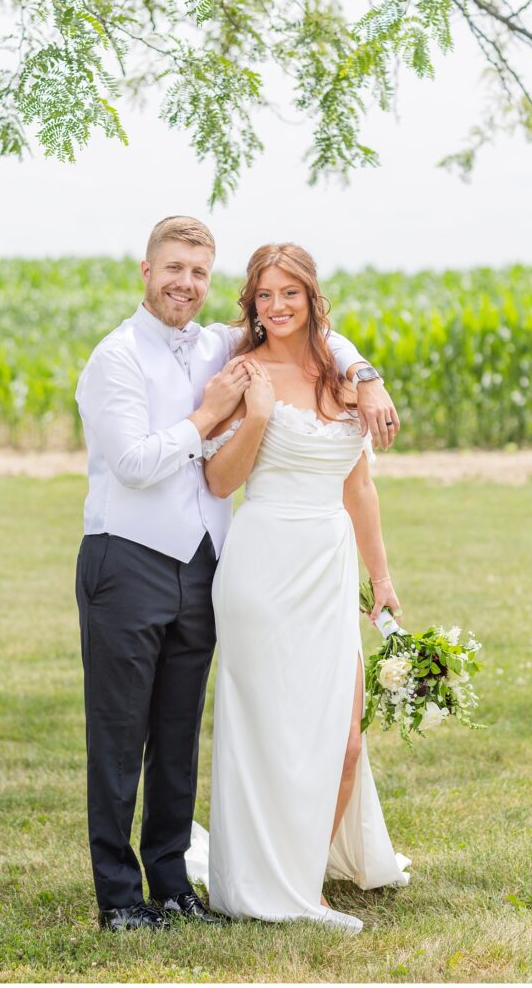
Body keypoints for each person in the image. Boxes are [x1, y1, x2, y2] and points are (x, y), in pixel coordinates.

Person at [75, 217, 400, 931]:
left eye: (198, 272)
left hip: (204, 565)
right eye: (173, 269)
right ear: (146, 271)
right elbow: (132, 465)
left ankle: (174, 884)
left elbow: (319, 339)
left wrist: (367, 376)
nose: (185, 283)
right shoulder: (117, 357)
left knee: (179, 730)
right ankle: (121, 899)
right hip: (126, 557)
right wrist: (214, 413)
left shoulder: (222, 342)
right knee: (119, 732)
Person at [198, 243, 411, 933]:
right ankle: (291, 893)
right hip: (261, 562)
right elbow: (219, 483)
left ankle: (305, 868)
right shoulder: (242, 371)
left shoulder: (346, 375)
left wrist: (381, 580)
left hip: (328, 563)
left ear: (311, 296)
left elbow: (360, 486)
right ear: (251, 303)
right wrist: (256, 417)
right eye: (264, 295)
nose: (277, 306)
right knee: (269, 731)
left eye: (289, 292)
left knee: (341, 738)